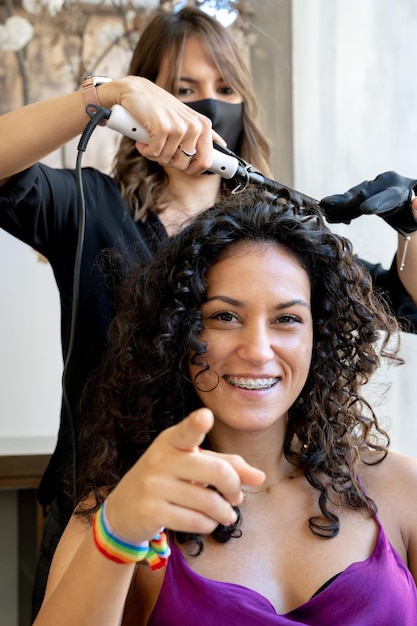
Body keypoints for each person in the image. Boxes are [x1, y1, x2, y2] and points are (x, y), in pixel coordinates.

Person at [0, 4, 416, 617]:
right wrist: (109, 95)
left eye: (224, 89)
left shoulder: (280, 239)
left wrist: (411, 227)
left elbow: (400, 304)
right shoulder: (87, 205)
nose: (255, 347)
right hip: (111, 513)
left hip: (262, 502)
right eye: (182, 90)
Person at [33, 188, 417, 625]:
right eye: (224, 317)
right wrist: (118, 531)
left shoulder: (401, 490)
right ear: (178, 331)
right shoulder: (120, 515)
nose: (257, 350)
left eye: (287, 319)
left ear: (319, 337)